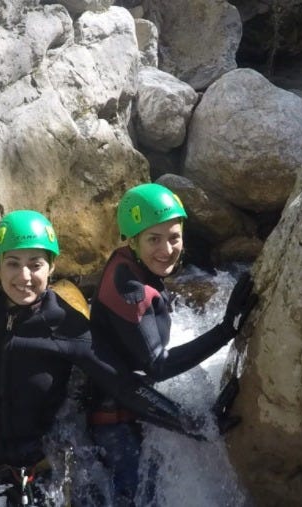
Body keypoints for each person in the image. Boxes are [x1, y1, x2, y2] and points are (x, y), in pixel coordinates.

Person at [0, 210, 205, 507]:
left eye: (36, 264)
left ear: (52, 267)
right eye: (13, 264)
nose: (24, 277)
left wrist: (192, 424)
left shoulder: (65, 326)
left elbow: (123, 386)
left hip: (39, 474)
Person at [85, 183, 257, 505]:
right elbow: (157, 365)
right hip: (115, 421)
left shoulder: (130, 263)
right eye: (154, 239)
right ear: (132, 240)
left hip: (129, 399)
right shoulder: (130, 290)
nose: (167, 249)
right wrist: (225, 329)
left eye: (174, 237)